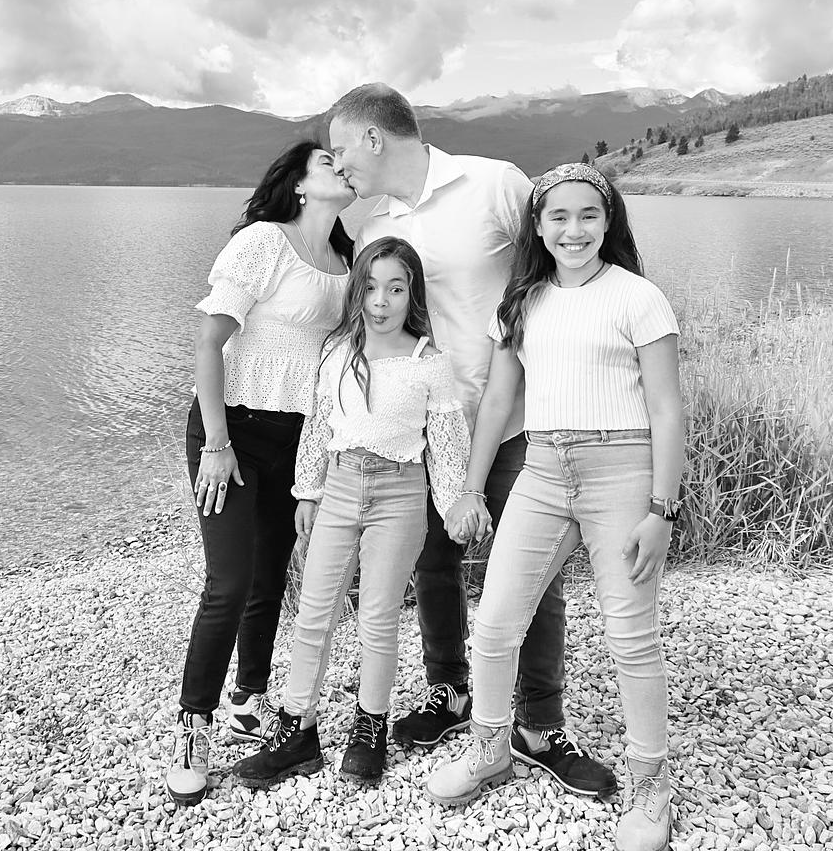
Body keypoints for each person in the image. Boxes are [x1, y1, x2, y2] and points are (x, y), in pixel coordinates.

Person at [327, 84, 616, 796]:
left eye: (341, 149)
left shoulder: (493, 185)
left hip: (516, 420)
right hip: (425, 431)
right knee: (434, 564)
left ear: (373, 138)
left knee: (532, 574)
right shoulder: (373, 226)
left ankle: (539, 724)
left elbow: (562, 265)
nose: (339, 165)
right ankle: (450, 691)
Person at [425, 162, 683, 851]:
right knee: (495, 623)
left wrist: (662, 510)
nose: (574, 230)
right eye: (558, 217)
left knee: (630, 634)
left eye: (588, 215)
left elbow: (666, 408)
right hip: (541, 470)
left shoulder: (638, 298)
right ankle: (490, 751)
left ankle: (651, 788)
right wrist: (470, 487)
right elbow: (497, 402)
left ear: (608, 220)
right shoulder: (520, 303)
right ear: (537, 227)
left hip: (620, 471)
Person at [231, 237, 471, 788]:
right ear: (357, 291)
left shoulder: (429, 363)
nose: (381, 301)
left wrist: (455, 503)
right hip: (339, 488)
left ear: (412, 294)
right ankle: (298, 730)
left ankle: (370, 727)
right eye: (370, 287)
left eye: (396, 288)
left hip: (399, 495)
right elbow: (319, 426)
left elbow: (446, 445)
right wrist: (307, 491)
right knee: (314, 613)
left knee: (378, 618)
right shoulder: (338, 352)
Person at [165, 138, 356, 806]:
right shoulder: (264, 242)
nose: (342, 166)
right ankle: (194, 726)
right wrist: (216, 443)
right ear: (299, 184)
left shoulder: (346, 260)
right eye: (327, 161)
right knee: (230, 581)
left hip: (297, 439)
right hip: (233, 433)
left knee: (272, 577)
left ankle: (248, 700)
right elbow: (208, 341)